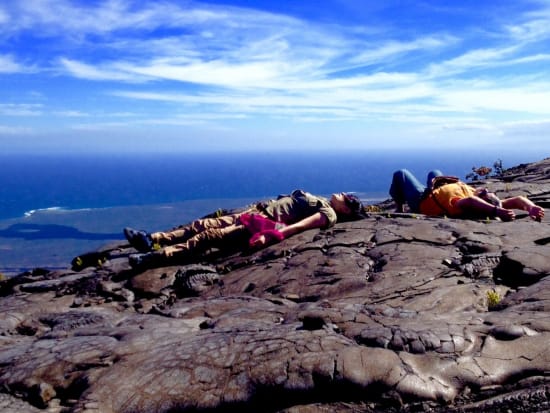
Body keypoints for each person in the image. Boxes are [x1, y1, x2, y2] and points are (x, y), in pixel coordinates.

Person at [123, 190, 365, 269]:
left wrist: (270, 237)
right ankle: (151, 239)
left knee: (208, 237)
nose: (341, 194)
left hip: (260, 225)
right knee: (202, 224)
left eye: (346, 197)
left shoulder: (328, 214)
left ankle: (152, 257)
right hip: (254, 214)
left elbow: (298, 227)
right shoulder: (323, 200)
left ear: (345, 210)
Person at [389, 169, 545, 221]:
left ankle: (400, 208)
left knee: (401, 174)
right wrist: (531, 207)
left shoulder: (464, 205)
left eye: (485, 195)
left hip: (424, 201)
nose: (486, 191)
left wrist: (497, 212)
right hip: (437, 189)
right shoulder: (494, 203)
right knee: (434, 172)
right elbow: (518, 200)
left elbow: (470, 201)